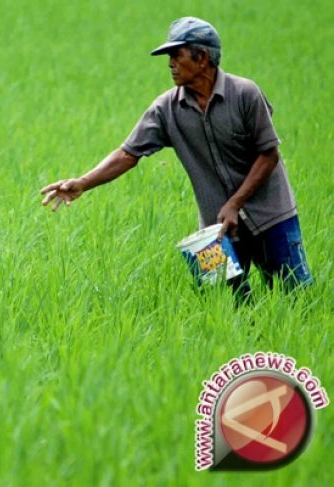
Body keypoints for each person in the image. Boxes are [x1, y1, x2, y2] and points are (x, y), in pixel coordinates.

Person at [40, 17, 313, 298]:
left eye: (176, 55)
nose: (170, 63)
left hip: (272, 217)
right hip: (216, 231)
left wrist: (235, 203)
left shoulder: (245, 94)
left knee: (294, 299)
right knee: (226, 309)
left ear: (203, 57)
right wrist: (83, 183)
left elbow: (269, 154)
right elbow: (127, 154)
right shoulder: (166, 109)